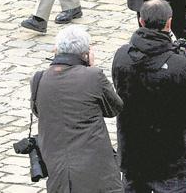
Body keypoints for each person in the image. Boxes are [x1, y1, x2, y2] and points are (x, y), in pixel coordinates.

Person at [112, 0, 186, 193]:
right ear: (169, 23)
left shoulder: (121, 56)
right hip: (169, 159)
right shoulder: (178, 66)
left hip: (133, 156)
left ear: (141, 21)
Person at [30, 25, 122, 192]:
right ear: (85, 54)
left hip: (58, 171)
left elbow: (38, 112)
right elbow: (114, 108)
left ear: (56, 50)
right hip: (97, 173)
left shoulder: (39, 79)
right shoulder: (93, 76)